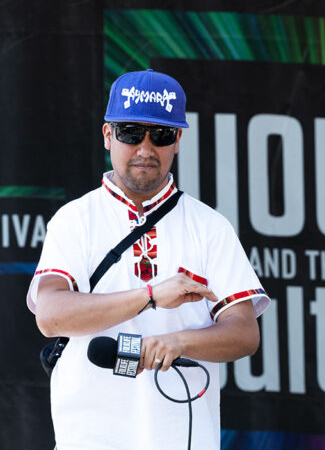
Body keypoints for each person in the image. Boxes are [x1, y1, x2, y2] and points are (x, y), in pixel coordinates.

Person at [27, 69, 270, 449]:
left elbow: (244, 333)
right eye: (129, 133)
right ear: (107, 135)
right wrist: (150, 295)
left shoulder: (210, 226)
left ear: (177, 141)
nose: (145, 148)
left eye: (160, 135)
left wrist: (180, 342)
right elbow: (51, 314)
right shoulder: (76, 218)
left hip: (183, 438)